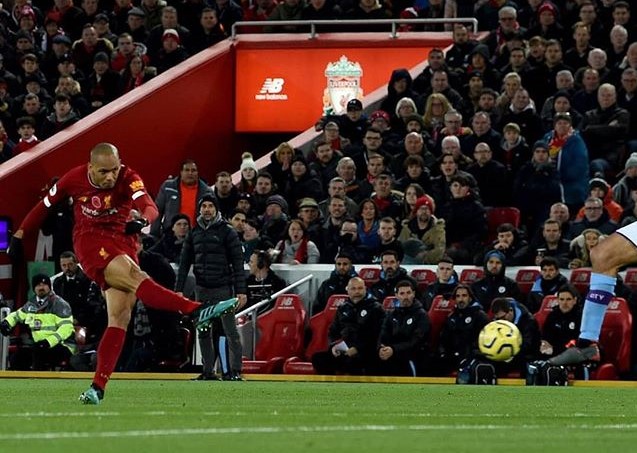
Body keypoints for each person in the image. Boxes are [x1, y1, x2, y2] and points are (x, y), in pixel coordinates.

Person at [8, 143, 204, 404]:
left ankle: (97, 388)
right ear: (90, 168)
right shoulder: (73, 178)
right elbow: (44, 206)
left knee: (120, 317)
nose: (111, 177)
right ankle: (195, 309)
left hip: (123, 242)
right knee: (136, 278)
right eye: (103, 172)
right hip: (90, 241)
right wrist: (20, 234)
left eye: (114, 169)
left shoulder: (128, 176)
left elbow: (149, 205)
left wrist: (143, 220)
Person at [176, 194, 246, 381]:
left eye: (210, 206)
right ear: (199, 209)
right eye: (204, 206)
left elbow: (238, 264)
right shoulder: (194, 232)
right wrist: (178, 290)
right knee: (203, 331)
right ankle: (208, 371)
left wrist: (241, 291)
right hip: (202, 289)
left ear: (216, 209)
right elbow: (184, 263)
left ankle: (234, 371)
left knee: (229, 331)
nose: (207, 209)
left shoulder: (227, 232)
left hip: (223, 289)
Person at [0, 274, 77, 371]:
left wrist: (48, 342)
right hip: (39, 345)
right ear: (33, 288)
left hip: (62, 345)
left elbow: (66, 329)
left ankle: (38, 379)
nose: (41, 288)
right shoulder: (31, 305)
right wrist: (6, 322)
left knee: (39, 353)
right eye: (38, 285)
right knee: (17, 357)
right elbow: (17, 315)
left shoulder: (60, 304)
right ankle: (24, 380)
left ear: (49, 287)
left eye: (44, 284)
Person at [311, 276, 385, 375]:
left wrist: (357, 349)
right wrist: (334, 346)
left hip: (366, 351)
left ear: (365, 289)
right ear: (347, 290)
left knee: (356, 361)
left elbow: (377, 334)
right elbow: (333, 331)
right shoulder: (342, 308)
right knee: (318, 358)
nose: (357, 291)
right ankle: (333, 383)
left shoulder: (376, 308)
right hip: (345, 350)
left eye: (360, 288)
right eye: (353, 289)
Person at [53, 251, 107, 347]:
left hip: (87, 323)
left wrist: (78, 319)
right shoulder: (58, 282)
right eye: (64, 265)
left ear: (76, 263)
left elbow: (93, 305)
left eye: (70, 264)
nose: (67, 268)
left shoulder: (88, 280)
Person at [377, 280, 430, 377]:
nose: (406, 297)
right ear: (396, 296)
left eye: (408, 293)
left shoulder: (421, 315)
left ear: (413, 294)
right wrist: (381, 348)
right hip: (392, 355)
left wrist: (393, 349)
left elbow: (416, 341)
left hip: (413, 356)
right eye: (402, 293)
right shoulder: (391, 314)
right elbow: (383, 335)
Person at [150, 159, 213, 238]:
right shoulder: (168, 187)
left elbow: (213, 215)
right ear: (181, 172)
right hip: (170, 235)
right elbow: (157, 210)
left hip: (197, 236)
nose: (190, 173)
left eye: (193, 170)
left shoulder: (207, 191)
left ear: (197, 173)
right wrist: (154, 234)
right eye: (187, 170)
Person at [438, 284, 490, 375]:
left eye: (464, 296)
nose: (461, 299)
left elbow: (486, 339)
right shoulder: (451, 317)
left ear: (470, 298)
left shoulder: (480, 316)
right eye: (458, 296)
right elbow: (443, 338)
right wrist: (443, 353)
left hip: (473, 356)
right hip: (453, 356)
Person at [540, 284, 582, 359]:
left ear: (574, 300)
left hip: (573, 354)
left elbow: (578, 342)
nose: (564, 303)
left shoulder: (581, 317)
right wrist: (544, 344)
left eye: (568, 299)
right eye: (562, 299)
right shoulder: (552, 315)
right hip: (552, 353)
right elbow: (545, 336)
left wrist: (555, 350)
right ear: (557, 300)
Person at [245, 249, 287, 315]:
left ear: (261, 264)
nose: (249, 264)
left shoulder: (278, 282)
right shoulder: (248, 282)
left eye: (251, 262)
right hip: (250, 317)